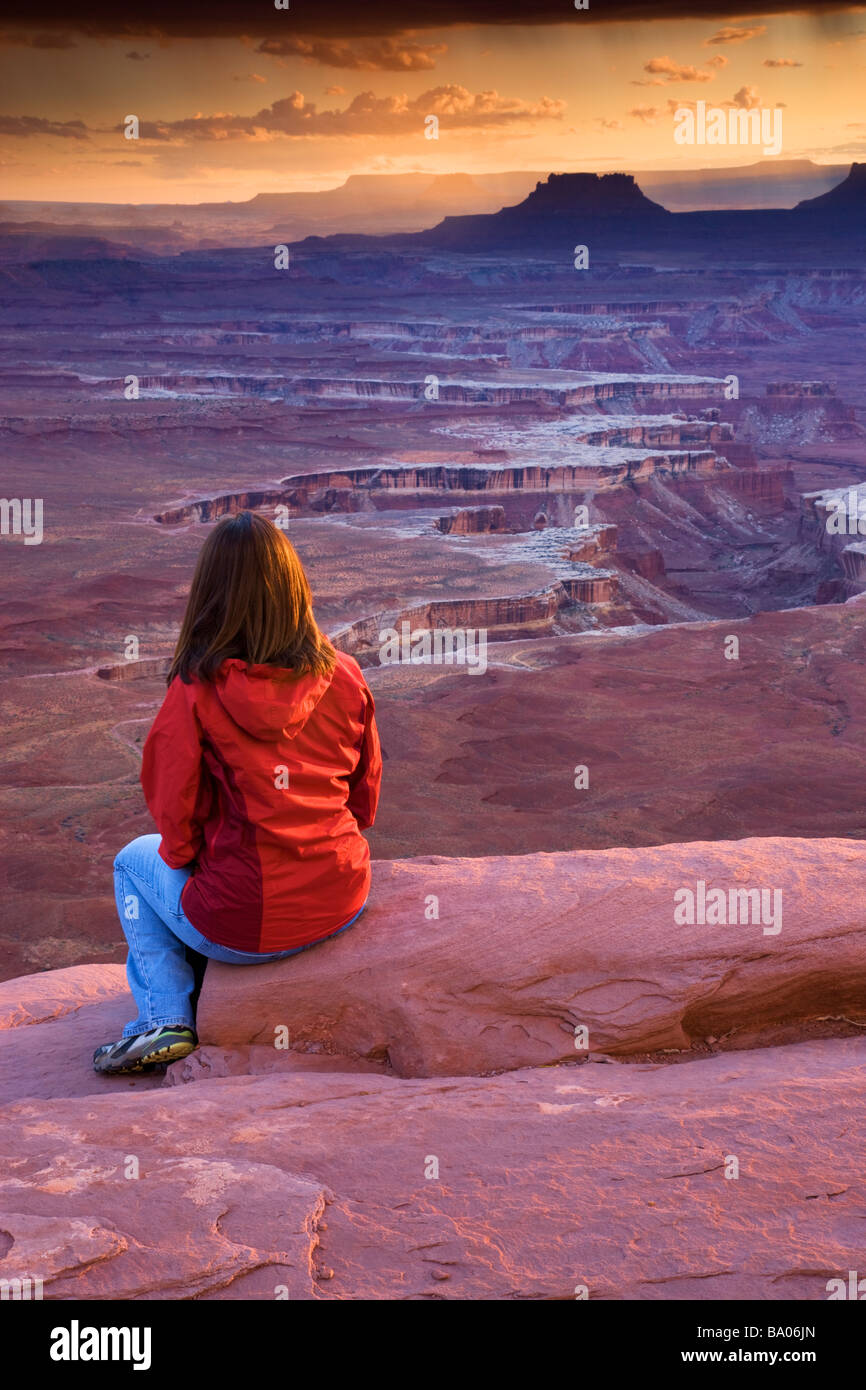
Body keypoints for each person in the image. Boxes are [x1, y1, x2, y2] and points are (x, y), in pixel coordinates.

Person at [94, 511, 381, 1075]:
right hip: (344, 898)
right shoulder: (345, 673)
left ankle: (163, 1018)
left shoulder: (195, 689)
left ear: (210, 595)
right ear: (293, 589)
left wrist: (202, 871)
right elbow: (363, 797)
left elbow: (175, 818)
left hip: (244, 927)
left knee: (133, 861)